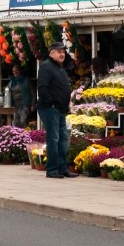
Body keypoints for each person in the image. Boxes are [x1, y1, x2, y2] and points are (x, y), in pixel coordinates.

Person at [37, 42, 78, 179]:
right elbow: (42, 88)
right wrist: (52, 104)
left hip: (60, 109)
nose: (62, 54)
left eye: (63, 52)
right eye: (59, 52)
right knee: (53, 138)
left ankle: (62, 168)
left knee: (63, 139)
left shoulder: (59, 67)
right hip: (50, 108)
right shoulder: (46, 67)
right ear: (51, 53)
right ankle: (52, 170)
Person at [9, 63, 34, 128]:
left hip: (25, 105)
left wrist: (33, 104)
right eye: (13, 71)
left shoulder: (26, 80)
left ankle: (25, 137)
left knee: (23, 123)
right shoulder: (12, 81)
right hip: (16, 106)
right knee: (16, 123)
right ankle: (18, 137)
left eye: (16, 70)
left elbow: (33, 92)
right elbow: (7, 90)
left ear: (20, 70)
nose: (15, 72)